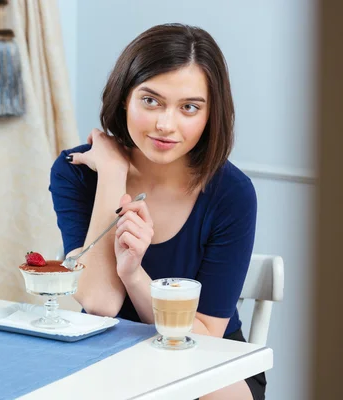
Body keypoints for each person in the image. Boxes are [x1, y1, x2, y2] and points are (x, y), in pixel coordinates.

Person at [49, 23, 265, 400]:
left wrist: (134, 276)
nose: (166, 125)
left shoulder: (232, 194)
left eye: (189, 108)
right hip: (108, 356)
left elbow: (205, 335)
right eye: (150, 101)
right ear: (123, 99)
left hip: (205, 362)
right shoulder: (77, 172)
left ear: (211, 115)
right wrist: (113, 174)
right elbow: (99, 303)